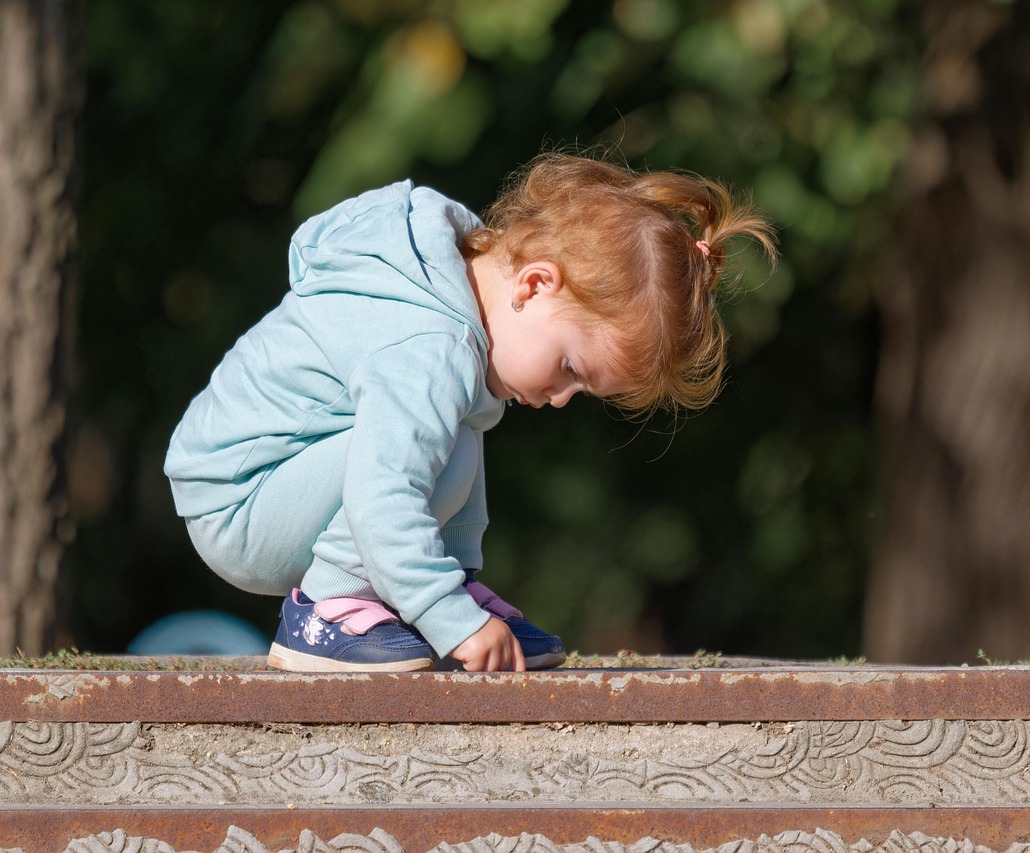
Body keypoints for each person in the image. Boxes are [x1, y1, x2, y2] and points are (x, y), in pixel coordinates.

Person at [163, 152, 776, 673]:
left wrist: (454, 592)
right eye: (570, 369)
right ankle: (328, 612)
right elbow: (385, 493)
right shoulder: (431, 346)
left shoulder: (452, 318)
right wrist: (448, 619)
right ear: (535, 285)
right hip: (240, 501)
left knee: (451, 427)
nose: (561, 398)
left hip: (274, 488)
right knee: (432, 437)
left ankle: (406, 591)